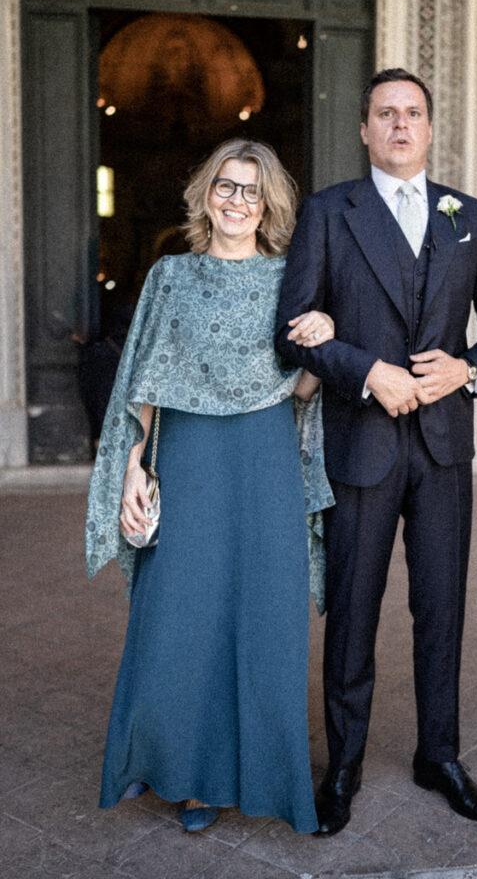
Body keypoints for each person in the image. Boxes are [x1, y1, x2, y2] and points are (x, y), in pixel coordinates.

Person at [275, 68, 477, 836]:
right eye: (384, 114)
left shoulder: (467, 215)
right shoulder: (327, 213)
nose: (399, 125)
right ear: (363, 129)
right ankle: (342, 765)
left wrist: (468, 368)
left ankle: (438, 755)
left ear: (428, 124)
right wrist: (365, 372)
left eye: (412, 113)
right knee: (352, 609)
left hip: (443, 448)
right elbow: (293, 321)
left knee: (439, 606)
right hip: (362, 443)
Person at [85, 138, 335, 834]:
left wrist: (324, 332)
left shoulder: (291, 280)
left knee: (264, 623)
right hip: (189, 460)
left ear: (269, 205)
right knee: (181, 622)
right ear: (205, 195)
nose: (235, 200)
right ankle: (190, 780)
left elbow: (305, 388)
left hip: (265, 463)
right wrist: (135, 465)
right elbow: (141, 378)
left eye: (250, 191)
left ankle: (264, 780)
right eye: (225, 186)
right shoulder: (171, 276)